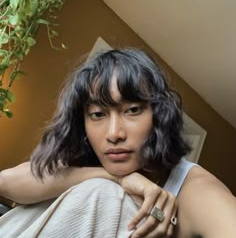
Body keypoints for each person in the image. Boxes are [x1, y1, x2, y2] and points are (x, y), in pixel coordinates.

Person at [0, 48, 235, 238]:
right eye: (97, 115)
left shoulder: (195, 188)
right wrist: (115, 177)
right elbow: (5, 183)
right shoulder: (90, 159)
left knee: (106, 194)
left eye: (132, 110)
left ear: (159, 117)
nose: (114, 134)